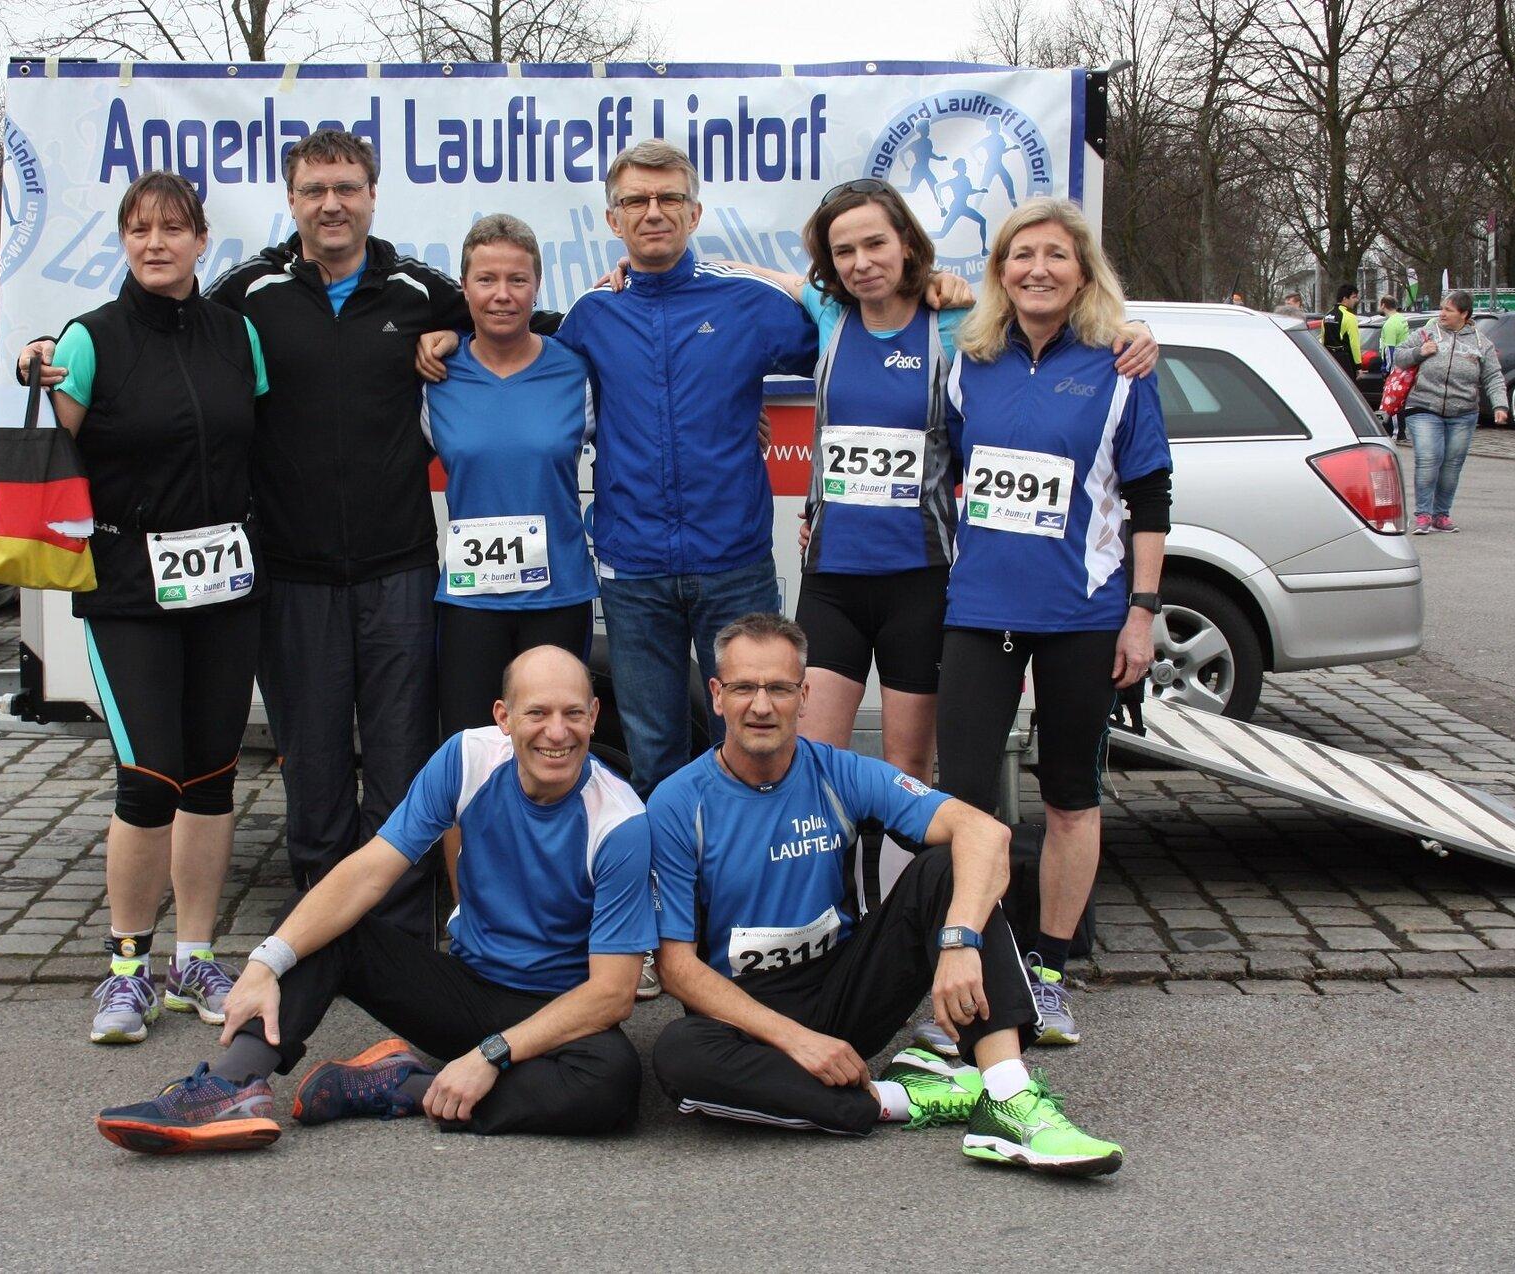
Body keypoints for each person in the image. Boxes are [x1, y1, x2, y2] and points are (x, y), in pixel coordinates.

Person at [27, 129, 485, 942]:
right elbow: (152, 328)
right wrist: (44, 348)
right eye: (313, 190)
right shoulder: (249, 295)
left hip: (398, 567)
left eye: (346, 188)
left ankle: (396, 934)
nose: (331, 204)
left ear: (372, 195)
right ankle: (323, 932)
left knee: (401, 760)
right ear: (291, 200)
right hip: (288, 570)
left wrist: (464, 333)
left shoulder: (420, 291)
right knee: (312, 763)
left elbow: (511, 315)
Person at [718, 181, 1155, 907]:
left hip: (921, 579)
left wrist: (1134, 332)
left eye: (875, 244)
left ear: (907, 245)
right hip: (831, 576)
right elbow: (766, 279)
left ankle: (903, 923)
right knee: (811, 762)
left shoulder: (953, 325)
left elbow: (1036, 322)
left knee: (908, 774)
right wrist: (647, 271)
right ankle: (817, 918)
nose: (861, 261)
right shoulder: (828, 311)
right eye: (843, 250)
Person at [94, 646, 652, 1152]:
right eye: (537, 713)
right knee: (316, 921)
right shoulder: (467, 758)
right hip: (465, 990)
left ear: (594, 715)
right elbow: (366, 874)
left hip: (555, 1011)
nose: (557, 732)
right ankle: (231, 1084)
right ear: (504, 717)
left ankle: (404, 1087)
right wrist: (266, 963)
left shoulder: (619, 820)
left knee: (613, 1084)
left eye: (573, 714)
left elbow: (610, 994)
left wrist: (492, 1054)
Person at [646, 614, 1122, 1176]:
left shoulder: (838, 772)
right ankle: (898, 1098)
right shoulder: (677, 803)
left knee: (947, 865)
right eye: (744, 687)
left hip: (844, 988)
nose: (762, 706)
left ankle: (1008, 1097)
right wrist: (798, 1041)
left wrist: (959, 940)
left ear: (804, 696)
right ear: (717, 694)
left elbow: (984, 833)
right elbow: (676, 968)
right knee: (677, 1056)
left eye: (779, 688)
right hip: (743, 1016)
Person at [422, 140, 820, 803]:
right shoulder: (592, 315)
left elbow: (847, 334)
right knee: (655, 754)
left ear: (695, 212)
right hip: (634, 573)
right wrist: (440, 336)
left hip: (735, 564)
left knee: (758, 743)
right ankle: (662, 870)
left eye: (669, 198)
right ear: (613, 219)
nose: (652, 212)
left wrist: (917, 289)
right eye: (635, 200)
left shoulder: (748, 301)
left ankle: (756, 865)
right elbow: (512, 341)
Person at [931, 196, 1172, 1050]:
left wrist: (1140, 614)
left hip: (1083, 614)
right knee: (963, 802)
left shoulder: (1122, 364)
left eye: (1055, 255)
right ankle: (974, 971)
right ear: (999, 270)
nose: (1037, 269)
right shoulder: (968, 362)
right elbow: (944, 471)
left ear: (1081, 271)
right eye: (1020, 254)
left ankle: (1050, 974)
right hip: (980, 610)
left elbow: (1149, 498)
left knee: (1070, 797)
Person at [44, 172, 270, 1045]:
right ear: (124, 240)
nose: (155, 243)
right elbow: (48, 450)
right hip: (129, 591)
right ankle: (126, 969)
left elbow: (257, 444)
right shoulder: (90, 339)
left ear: (201, 240)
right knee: (148, 779)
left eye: (173, 229)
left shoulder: (235, 334)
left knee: (211, 776)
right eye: (139, 229)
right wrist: (31, 372)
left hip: (225, 585)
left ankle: (194, 960)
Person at [421, 213, 601, 910]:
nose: (502, 294)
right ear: (464, 288)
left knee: (556, 752)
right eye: (486, 279)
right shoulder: (434, 375)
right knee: (471, 762)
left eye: (517, 280)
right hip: (470, 604)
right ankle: (471, 914)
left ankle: (555, 905)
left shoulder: (576, 370)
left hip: (557, 597)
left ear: (536, 286)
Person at [1392, 288, 1508, 534]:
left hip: (1463, 412)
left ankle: (1441, 515)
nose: (1442, 314)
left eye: (1448, 310)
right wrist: (1419, 352)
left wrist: (1500, 405)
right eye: (1442, 308)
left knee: (1451, 465)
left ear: (1464, 314)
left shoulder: (1481, 343)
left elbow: (1493, 376)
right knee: (1428, 458)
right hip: (1423, 406)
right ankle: (1423, 515)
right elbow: (1399, 356)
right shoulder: (1425, 333)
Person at [1378, 295, 1411, 440]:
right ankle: (1398, 431)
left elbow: (1389, 349)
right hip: (1403, 364)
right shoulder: (1401, 319)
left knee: (1392, 400)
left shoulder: (1390, 324)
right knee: (1399, 400)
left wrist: (1388, 370)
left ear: (1383, 305)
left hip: (1395, 367)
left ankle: (1396, 433)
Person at [1323, 283, 1361, 380]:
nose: (1356, 300)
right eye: (1354, 297)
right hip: (1345, 360)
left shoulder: (1327, 315)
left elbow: (1323, 339)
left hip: (1329, 359)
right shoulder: (1350, 317)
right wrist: (1358, 366)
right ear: (1345, 299)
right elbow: (1354, 343)